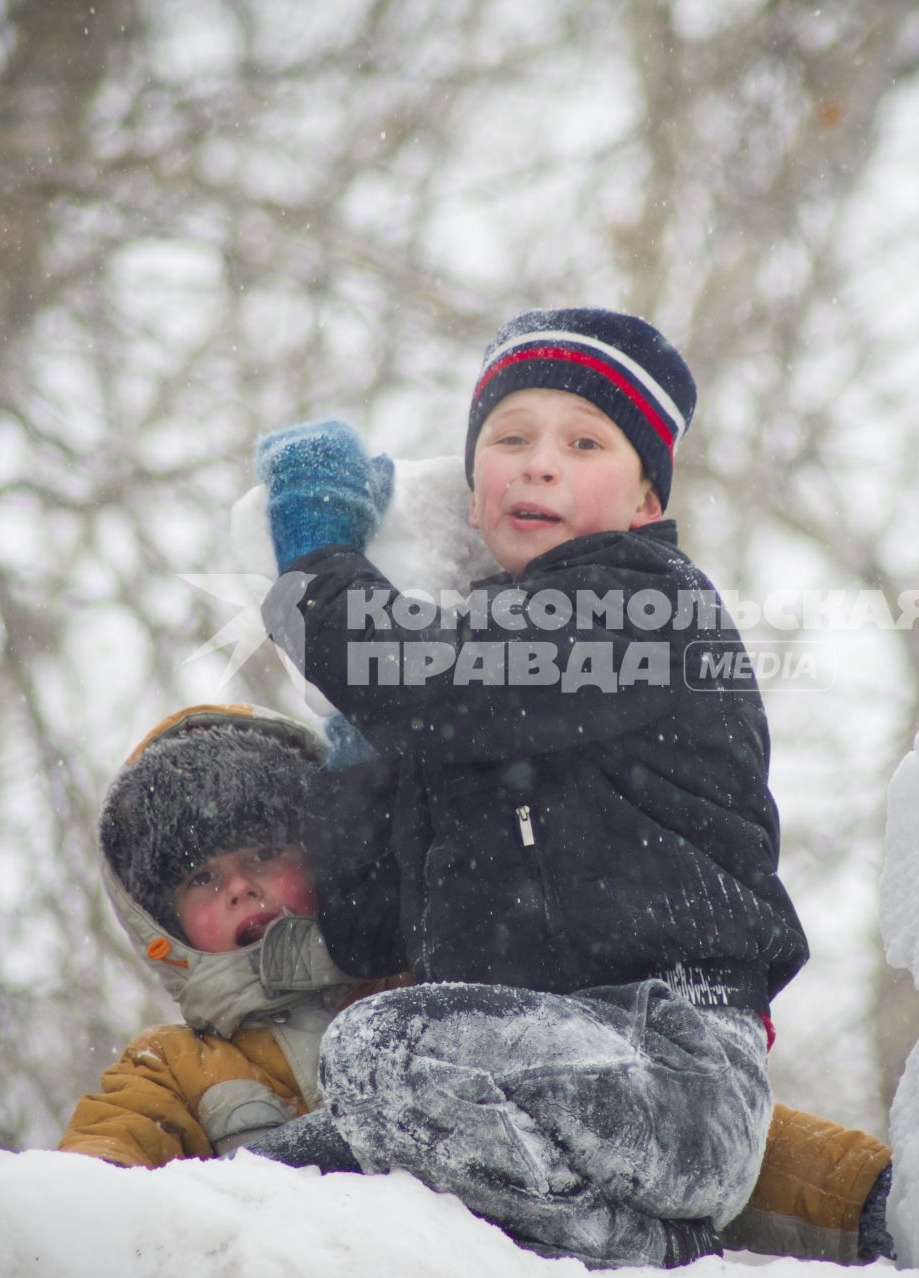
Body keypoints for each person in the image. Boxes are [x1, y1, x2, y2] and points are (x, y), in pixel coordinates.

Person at [251, 307, 812, 1266]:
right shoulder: (476, 695)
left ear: (645, 501)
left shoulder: (645, 604)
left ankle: (640, 1254)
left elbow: (424, 680)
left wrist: (319, 562)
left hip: (672, 1062)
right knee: (266, 1182)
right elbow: (370, 929)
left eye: (584, 442)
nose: (539, 462)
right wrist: (358, 760)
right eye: (509, 440)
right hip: (521, 1074)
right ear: (473, 497)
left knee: (379, 1050)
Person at [58, 703, 894, 1264]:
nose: (240, 889)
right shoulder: (174, 1068)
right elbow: (74, 1213)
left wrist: (862, 1195)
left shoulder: (450, 991)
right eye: (203, 879)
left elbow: (645, 1118)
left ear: (330, 853)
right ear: (160, 922)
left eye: (263, 855)